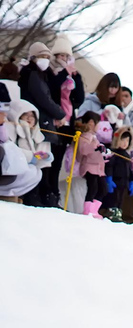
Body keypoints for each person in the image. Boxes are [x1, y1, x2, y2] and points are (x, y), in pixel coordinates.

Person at [18, 42, 67, 206]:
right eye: (42, 57)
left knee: (44, 160)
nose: (45, 60)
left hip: (43, 123)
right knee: (39, 160)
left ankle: (41, 195)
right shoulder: (32, 75)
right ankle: (35, 196)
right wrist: (60, 113)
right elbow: (44, 99)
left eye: (47, 57)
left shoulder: (40, 76)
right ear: (33, 58)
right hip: (38, 125)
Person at [48, 36, 84, 207]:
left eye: (66, 56)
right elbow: (53, 88)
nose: (63, 59)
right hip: (54, 120)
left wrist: (75, 78)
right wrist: (64, 73)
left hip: (68, 122)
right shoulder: (51, 71)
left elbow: (79, 97)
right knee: (50, 159)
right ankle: (49, 192)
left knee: (59, 161)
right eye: (60, 55)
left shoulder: (72, 73)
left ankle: (54, 194)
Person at [75, 112, 108, 218]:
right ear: (91, 123)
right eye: (97, 123)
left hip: (98, 168)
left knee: (102, 188)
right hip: (89, 167)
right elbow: (83, 150)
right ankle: (87, 210)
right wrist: (95, 148)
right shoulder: (84, 137)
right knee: (92, 188)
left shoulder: (94, 137)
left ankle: (94, 210)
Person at [9, 100, 54, 177]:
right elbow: (12, 152)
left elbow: (39, 158)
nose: (29, 118)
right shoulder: (12, 131)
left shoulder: (36, 135)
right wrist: (32, 157)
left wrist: (45, 156)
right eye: (25, 114)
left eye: (32, 116)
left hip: (31, 172)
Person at [104, 127, 133, 221]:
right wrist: (109, 178)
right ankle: (111, 213)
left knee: (120, 199)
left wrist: (131, 181)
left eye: (127, 140)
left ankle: (118, 213)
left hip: (124, 183)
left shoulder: (127, 155)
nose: (125, 143)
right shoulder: (113, 153)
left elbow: (130, 170)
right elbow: (109, 166)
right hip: (115, 181)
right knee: (113, 198)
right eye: (123, 140)